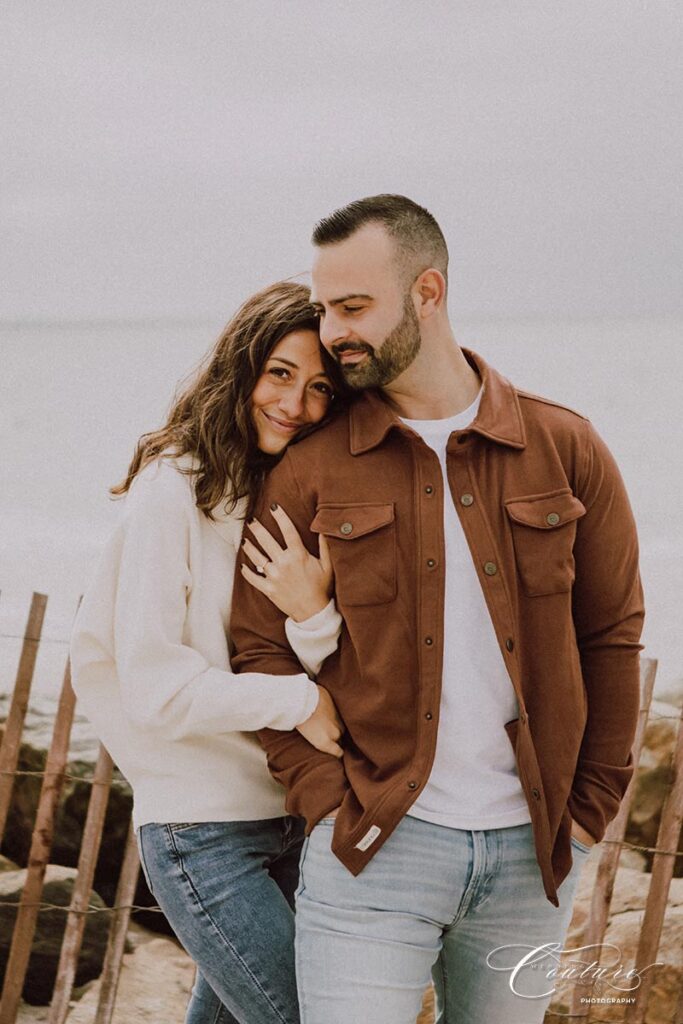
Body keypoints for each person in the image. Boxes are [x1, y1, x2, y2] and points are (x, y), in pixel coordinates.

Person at [230, 195, 645, 1024]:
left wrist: (590, 810)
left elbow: (610, 635)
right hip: (374, 852)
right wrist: (324, 804)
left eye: (354, 307)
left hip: (534, 857)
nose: (334, 330)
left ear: (427, 291)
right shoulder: (311, 472)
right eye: (324, 308)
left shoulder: (564, 447)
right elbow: (256, 652)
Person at [69, 280, 350, 1024]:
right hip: (203, 834)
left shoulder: (282, 493)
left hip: (285, 814)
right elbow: (157, 690)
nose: (294, 404)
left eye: (319, 387)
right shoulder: (172, 491)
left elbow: (301, 648)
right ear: (242, 367)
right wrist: (302, 703)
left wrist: (315, 613)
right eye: (280, 374)